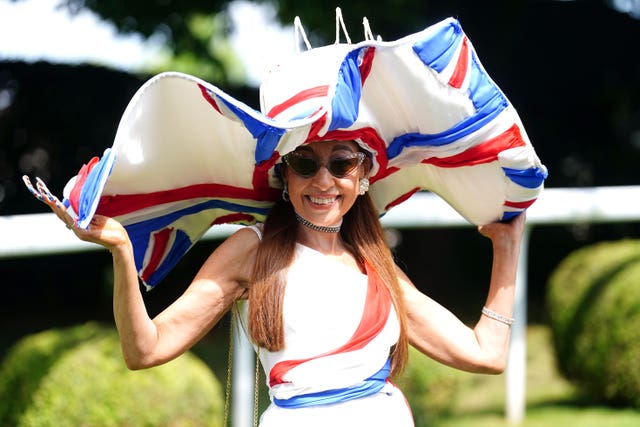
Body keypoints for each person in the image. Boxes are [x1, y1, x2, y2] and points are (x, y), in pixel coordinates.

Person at [26, 136, 526, 426]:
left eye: (341, 163)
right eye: (306, 163)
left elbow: (486, 354)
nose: (324, 180)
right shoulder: (252, 248)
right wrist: (121, 251)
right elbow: (146, 350)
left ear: (363, 175)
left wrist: (506, 250)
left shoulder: (378, 264)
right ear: (283, 177)